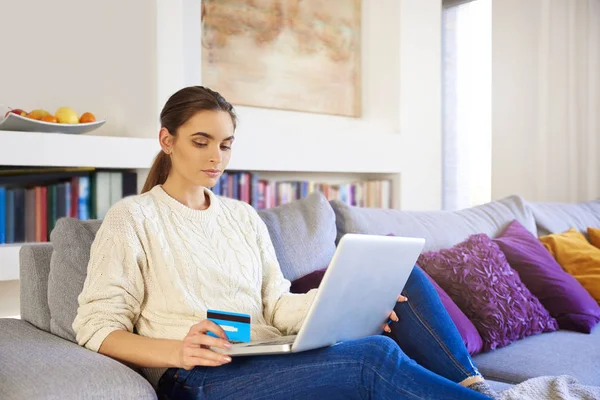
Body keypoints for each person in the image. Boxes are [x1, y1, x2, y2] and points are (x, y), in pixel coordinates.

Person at [72, 86, 499, 400]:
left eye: (225, 145)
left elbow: (275, 303)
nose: (215, 157)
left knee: (403, 279)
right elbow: (95, 327)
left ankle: (474, 386)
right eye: (200, 142)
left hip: (266, 352)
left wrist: (343, 305)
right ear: (167, 141)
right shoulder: (133, 217)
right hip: (199, 377)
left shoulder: (242, 217)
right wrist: (178, 351)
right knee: (375, 356)